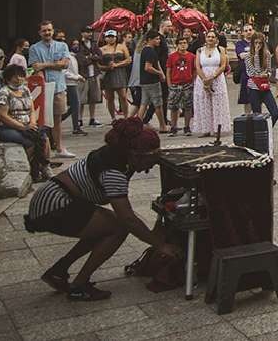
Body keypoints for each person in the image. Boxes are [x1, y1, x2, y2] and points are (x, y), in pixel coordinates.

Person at [24, 117, 181, 301]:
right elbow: (128, 219)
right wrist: (160, 245)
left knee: (105, 226)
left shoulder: (117, 155)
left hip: (52, 200)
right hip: (54, 205)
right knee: (119, 226)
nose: (153, 165)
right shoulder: (114, 171)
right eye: (151, 160)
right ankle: (78, 286)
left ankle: (58, 271)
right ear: (136, 155)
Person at [0, 64, 52, 182]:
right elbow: (2, 116)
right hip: (5, 126)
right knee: (29, 142)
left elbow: (32, 109)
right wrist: (22, 127)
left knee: (44, 138)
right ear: (8, 78)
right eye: (15, 76)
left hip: (26, 124)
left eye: (21, 76)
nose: (19, 79)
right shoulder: (4, 93)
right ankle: (28, 171)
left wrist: (32, 123)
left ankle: (45, 167)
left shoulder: (25, 89)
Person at [28, 21, 75, 158]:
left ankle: (60, 149)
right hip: (42, 89)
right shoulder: (34, 48)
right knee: (41, 121)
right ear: (40, 33)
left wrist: (45, 65)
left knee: (57, 120)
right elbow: (36, 67)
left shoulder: (62, 45)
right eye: (44, 31)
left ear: (53, 31)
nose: (47, 33)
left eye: (49, 30)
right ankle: (42, 150)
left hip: (58, 87)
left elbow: (65, 64)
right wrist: (54, 64)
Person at [191, 30, 231, 138]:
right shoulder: (199, 50)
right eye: (208, 36)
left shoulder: (221, 50)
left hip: (217, 78)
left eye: (213, 37)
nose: (210, 39)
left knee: (218, 103)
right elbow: (198, 66)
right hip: (202, 78)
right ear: (205, 38)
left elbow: (223, 66)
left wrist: (212, 77)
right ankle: (205, 129)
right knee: (204, 103)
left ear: (216, 39)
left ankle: (217, 129)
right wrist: (204, 79)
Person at [135, 31, 167, 131]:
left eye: (159, 38)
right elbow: (148, 67)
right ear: (149, 40)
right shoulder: (150, 51)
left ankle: (138, 124)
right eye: (156, 39)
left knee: (144, 103)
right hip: (152, 81)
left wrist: (161, 73)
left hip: (144, 81)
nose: (159, 41)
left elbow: (156, 63)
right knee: (158, 103)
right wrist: (159, 73)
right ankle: (163, 126)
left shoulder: (145, 50)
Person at [165, 37, 195, 136]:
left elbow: (194, 70)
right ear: (177, 45)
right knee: (174, 107)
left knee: (188, 106)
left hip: (187, 84)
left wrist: (193, 81)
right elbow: (168, 71)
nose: (183, 45)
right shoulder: (172, 57)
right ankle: (174, 127)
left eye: (185, 43)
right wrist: (169, 84)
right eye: (181, 43)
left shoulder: (191, 56)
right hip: (175, 84)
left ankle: (187, 127)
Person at [97, 30, 131, 119]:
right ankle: (113, 118)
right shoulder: (101, 49)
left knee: (123, 96)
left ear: (116, 38)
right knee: (110, 98)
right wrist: (107, 67)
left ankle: (126, 116)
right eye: (108, 37)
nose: (111, 39)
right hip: (108, 74)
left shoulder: (122, 47)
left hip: (120, 73)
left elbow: (128, 60)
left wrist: (117, 65)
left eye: (113, 37)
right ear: (105, 38)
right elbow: (98, 65)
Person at [77, 27, 104, 127]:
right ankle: (79, 119)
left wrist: (90, 57)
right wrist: (92, 58)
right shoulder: (79, 44)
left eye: (90, 32)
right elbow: (81, 60)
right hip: (83, 75)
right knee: (82, 99)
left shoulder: (94, 44)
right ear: (82, 33)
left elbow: (100, 56)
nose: (89, 34)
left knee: (94, 98)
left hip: (94, 74)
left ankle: (92, 118)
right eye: (87, 32)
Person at [63, 44, 86, 136]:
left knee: (75, 105)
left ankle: (74, 125)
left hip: (73, 83)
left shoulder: (74, 57)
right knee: (75, 105)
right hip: (69, 83)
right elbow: (65, 72)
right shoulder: (67, 57)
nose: (76, 46)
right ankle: (75, 127)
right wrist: (77, 77)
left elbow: (74, 71)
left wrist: (79, 77)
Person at [233, 23, 254, 115]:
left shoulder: (257, 41)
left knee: (258, 97)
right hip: (245, 74)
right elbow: (241, 55)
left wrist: (248, 53)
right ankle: (247, 116)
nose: (248, 32)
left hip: (257, 74)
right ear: (242, 33)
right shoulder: (239, 44)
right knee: (246, 99)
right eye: (246, 31)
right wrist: (254, 53)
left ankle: (257, 117)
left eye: (250, 30)